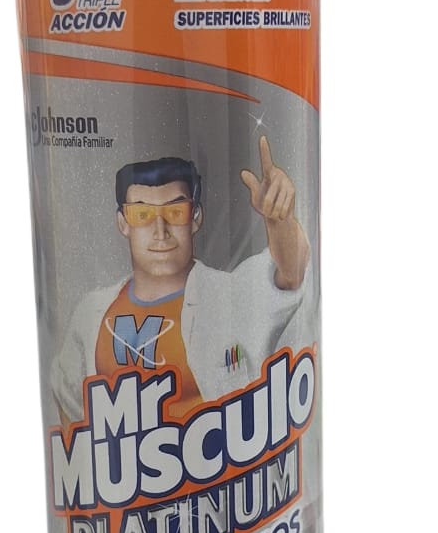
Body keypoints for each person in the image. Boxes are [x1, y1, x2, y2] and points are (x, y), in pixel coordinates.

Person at [52, 135, 313, 425]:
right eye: (142, 214)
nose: (160, 231)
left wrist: (280, 221)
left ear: (195, 217)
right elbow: (69, 406)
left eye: (175, 212)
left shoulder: (229, 296)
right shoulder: (91, 314)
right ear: (123, 223)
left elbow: (292, 272)